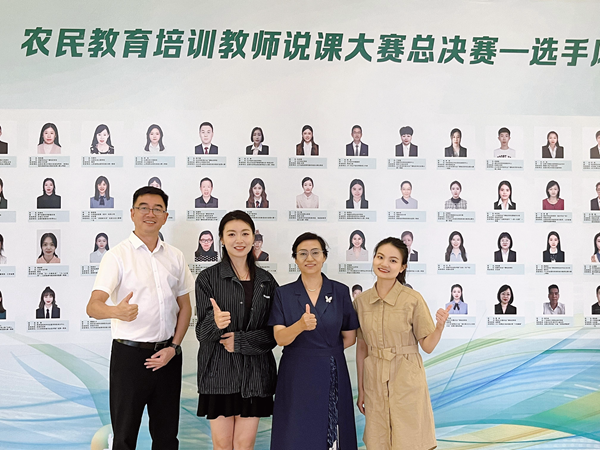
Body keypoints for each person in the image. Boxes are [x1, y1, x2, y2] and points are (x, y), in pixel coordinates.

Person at [86, 186, 194, 450]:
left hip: (168, 356)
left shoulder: (175, 256)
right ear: (132, 213)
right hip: (129, 358)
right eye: (143, 208)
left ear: (165, 216)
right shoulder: (117, 256)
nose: (150, 213)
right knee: (124, 438)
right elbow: (93, 306)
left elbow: (185, 307)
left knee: (167, 437)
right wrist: (116, 311)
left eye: (157, 209)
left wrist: (174, 347)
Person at [354, 237, 451, 450]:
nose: (384, 264)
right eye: (380, 257)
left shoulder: (412, 299)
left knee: (410, 439)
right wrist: (361, 389)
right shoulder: (361, 302)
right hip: (374, 378)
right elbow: (361, 347)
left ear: (402, 267)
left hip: (406, 377)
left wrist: (439, 327)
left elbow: (427, 346)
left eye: (393, 260)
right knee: (378, 439)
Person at [195, 210, 278, 450]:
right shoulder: (207, 278)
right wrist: (215, 323)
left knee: (244, 445)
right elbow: (201, 333)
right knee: (222, 445)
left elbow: (274, 335)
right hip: (219, 374)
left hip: (255, 377)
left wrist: (240, 341)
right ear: (221, 239)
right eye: (231, 234)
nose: (239, 240)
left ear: (253, 238)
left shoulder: (266, 281)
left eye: (245, 233)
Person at [269, 232, 358, 450]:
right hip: (296, 372)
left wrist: (324, 351)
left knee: (332, 430)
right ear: (295, 259)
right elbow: (280, 338)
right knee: (295, 430)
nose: (310, 258)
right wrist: (300, 326)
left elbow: (350, 337)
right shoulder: (283, 294)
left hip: (331, 369)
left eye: (315, 253)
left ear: (324, 256)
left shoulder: (340, 291)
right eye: (303, 254)